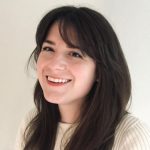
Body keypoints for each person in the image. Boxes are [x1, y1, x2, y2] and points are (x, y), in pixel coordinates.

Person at [15, 6, 150, 150]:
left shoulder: (129, 136)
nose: (54, 65)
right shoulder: (33, 124)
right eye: (48, 49)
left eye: (74, 54)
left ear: (100, 71)